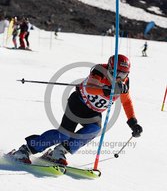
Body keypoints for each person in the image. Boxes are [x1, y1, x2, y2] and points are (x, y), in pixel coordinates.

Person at [8, 55, 143, 165]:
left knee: (94, 130)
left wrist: (133, 122)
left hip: (94, 112)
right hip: (78, 104)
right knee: (64, 134)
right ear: (110, 68)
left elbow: (126, 102)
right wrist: (106, 90)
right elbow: (90, 86)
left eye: (123, 74)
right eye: (116, 73)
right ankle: (25, 149)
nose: (119, 77)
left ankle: (59, 151)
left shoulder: (124, 83)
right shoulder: (99, 70)